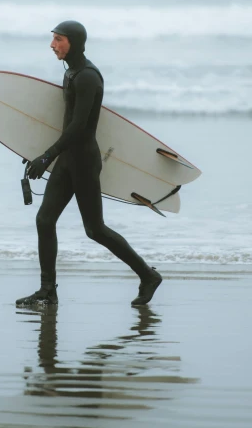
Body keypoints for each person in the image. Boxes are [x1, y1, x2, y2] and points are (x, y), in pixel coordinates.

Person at [16, 20, 162, 308]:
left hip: (83, 161)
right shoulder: (70, 72)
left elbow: (80, 127)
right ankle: (48, 290)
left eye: (58, 39)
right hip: (67, 159)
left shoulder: (87, 77)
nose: (52, 45)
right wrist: (38, 150)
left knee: (95, 229)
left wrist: (47, 156)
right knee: (44, 221)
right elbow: (65, 120)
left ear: (74, 42)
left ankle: (148, 275)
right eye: (53, 39)